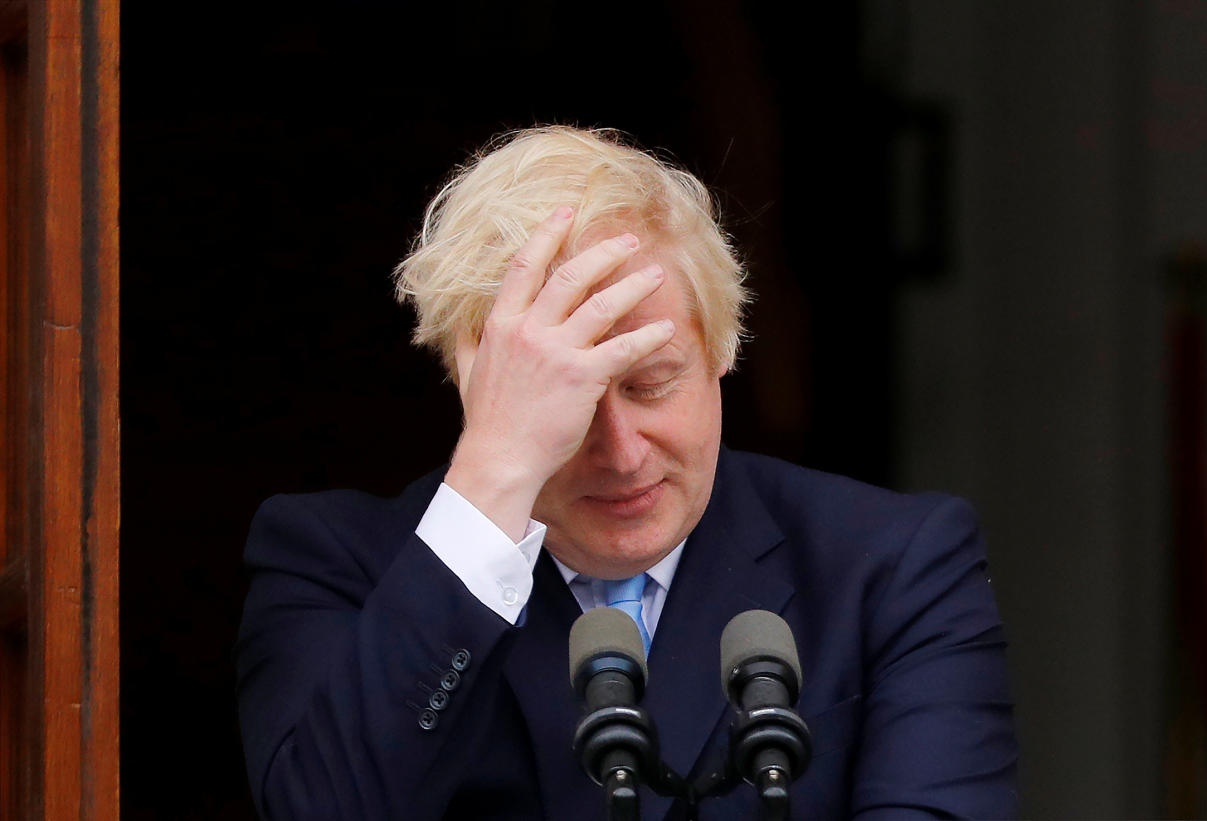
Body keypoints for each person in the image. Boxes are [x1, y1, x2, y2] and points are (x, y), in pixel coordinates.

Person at [235, 126, 1018, 820]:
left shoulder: (893, 563)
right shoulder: (333, 561)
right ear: (481, 390)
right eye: (564, 404)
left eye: (650, 383)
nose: (622, 451)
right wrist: (493, 478)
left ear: (719, 348)